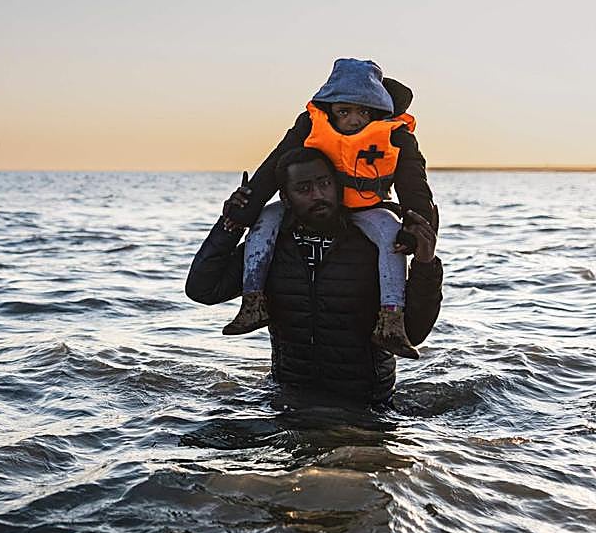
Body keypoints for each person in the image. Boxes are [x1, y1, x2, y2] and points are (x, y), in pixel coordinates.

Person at [186, 147, 442, 405]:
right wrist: (231, 224)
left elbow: (414, 332)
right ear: (285, 197)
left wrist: (425, 264)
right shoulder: (269, 247)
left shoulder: (375, 244)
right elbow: (203, 289)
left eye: (325, 184)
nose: (318, 195)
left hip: (367, 405)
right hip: (287, 399)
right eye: (304, 189)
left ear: (338, 185)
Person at [221, 58, 436, 359]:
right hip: (316, 206)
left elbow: (416, 187)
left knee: (390, 235)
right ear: (330, 108)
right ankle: (253, 303)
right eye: (344, 111)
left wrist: (419, 232)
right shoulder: (310, 124)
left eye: (363, 111)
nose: (354, 120)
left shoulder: (395, 135)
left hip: (369, 209)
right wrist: (240, 213)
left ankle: (391, 322)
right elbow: (273, 168)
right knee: (265, 220)